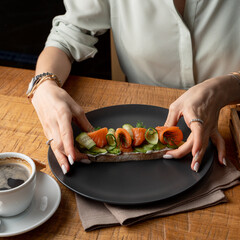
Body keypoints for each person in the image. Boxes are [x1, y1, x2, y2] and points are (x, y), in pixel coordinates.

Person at [27, 0, 240, 174]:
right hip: (139, 104)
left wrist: (225, 88)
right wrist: (44, 85)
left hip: (231, 127)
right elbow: (67, 37)